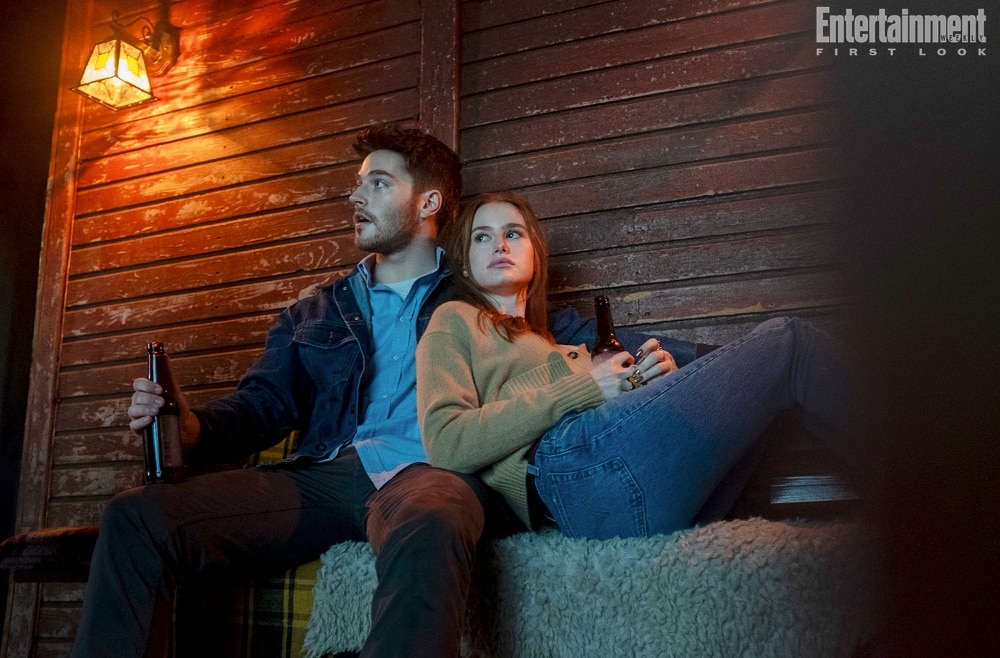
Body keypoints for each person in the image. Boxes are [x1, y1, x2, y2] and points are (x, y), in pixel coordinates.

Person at [70, 125, 704, 658]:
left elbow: (584, 344)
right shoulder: (317, 310)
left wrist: (676, 364)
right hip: (327, 474)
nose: (356, 196)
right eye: (357, 185)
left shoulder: (479, 292)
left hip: (433, 471)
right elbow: (263, 405)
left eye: (377, 183)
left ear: (428, 202)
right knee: (137, 517)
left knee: (433, 517)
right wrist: (193, 428)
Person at [416, 191, 859, 539]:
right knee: (790, 344)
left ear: (535, 256)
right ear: (466, 266)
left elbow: (591, 405)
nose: (499, 244)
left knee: (765, 406)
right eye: (482, 237)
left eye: (513, 233)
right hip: (567, 473)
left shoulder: (551, 341)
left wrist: (648, 384)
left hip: (607, 482)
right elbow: (447, 442)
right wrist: (588, 387)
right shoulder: (454, 319)